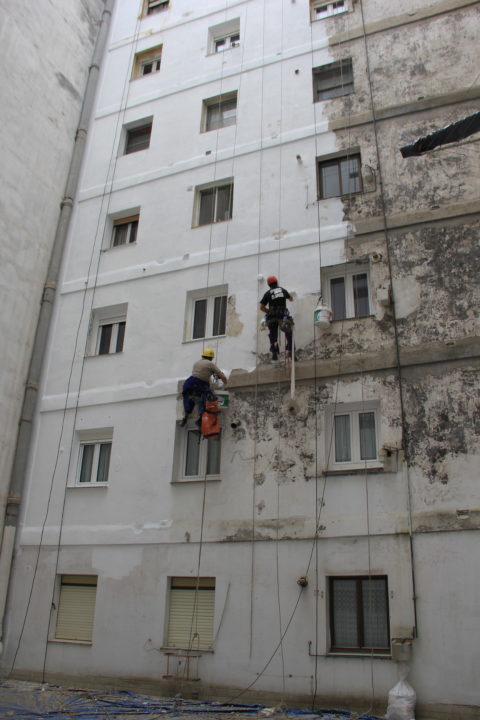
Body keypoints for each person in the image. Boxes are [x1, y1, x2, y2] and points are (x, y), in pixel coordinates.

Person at [181, 349, 228, 426]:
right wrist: (226, 383)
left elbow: (201, 372)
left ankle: (186, 415)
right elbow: (221, 375)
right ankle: (200, 417)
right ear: (211, 358)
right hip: (200, 384)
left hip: (189, 383)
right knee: (206, 399)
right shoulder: (210, 364)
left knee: (189, 398)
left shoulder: (196, 363)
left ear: (203, 356)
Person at [259, 275, 294, 361]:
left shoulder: (267, 294)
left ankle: (274, 353)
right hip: (283, 316)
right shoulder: (282, 290)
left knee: (273, 335)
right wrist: (291, 298)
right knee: (288, 333)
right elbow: (290, 299)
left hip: (272, 318)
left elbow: (261, 307)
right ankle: (290, 351)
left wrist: (269, 311)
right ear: (277, 282)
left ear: (269, 285)